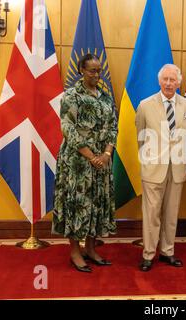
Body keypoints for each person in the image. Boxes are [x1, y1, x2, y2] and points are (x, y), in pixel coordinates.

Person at [52, 54, 117, 273]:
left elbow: (113, 128)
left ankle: (90, 248)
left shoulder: (106, 98)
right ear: (81, 70)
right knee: (77, 204)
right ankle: (74, 252)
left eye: (99, 71)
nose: (97, 75)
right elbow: (68, 129)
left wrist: (106, 155)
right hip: (77, 162)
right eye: (92, 70)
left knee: (97, 203)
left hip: (101, 162)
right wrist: (91, 157)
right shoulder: (71, 96)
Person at [135, 64, 186, 272]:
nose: (169, 83)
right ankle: (148, 254)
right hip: (153, 169)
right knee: (151, 214)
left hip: (177, 168)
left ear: (179, 82)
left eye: (173, 80)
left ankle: (167, 252)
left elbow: (185, 136)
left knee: (171, 213)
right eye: (165, 80)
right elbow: (140, 137)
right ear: (159, 81)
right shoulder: (145, 105)